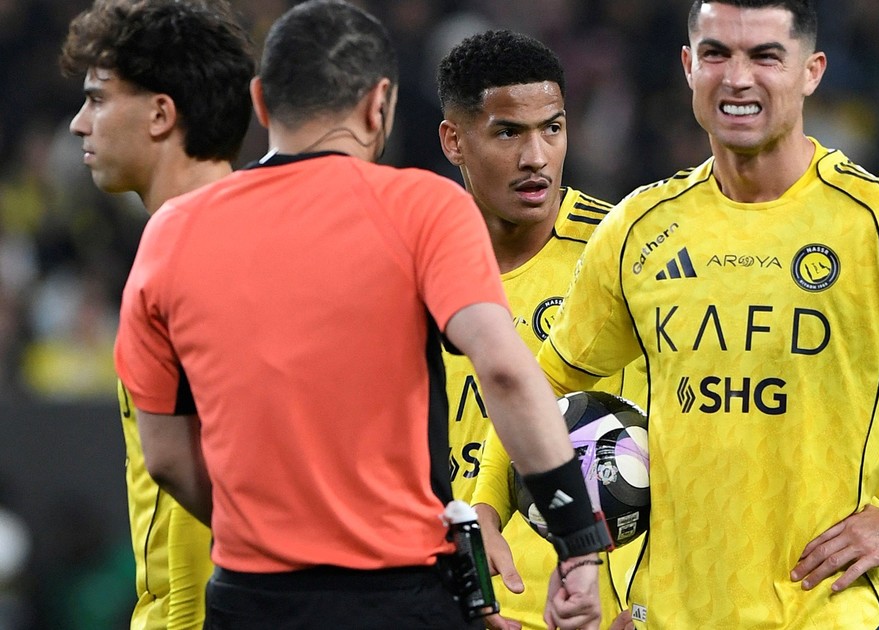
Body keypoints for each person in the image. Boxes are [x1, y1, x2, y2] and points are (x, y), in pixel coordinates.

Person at [533, 1, 879, 628]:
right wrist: (526, 528)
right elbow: (543, 388)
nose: (737, 78)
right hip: (666, 615)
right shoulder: (638, 227)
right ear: (688, 66)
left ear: (812, 71)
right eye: (716, 54)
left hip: (822, 612)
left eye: (765, 56)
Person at [111, 2, 609, 629]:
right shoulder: (423, 207)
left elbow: (164, 457)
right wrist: (577, 542)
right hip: (399, 589)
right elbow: (507, 373)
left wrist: (267, 533)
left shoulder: (172, 232)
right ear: (380, 105)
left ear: (261, 103)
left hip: (249, 595)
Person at [435, 30, 645, 630]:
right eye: (508, 133)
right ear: (454, 140)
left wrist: (649, 608)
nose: (537, 157)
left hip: (589, 610)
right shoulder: (410, 269)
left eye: (552, 129)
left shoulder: (622, 256)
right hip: (448, 601)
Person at [59, 1, 255, 627]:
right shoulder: (244, 234)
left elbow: (192, 462)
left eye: (97, 99)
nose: (78, 124)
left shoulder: (196, 248)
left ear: (160, 114)